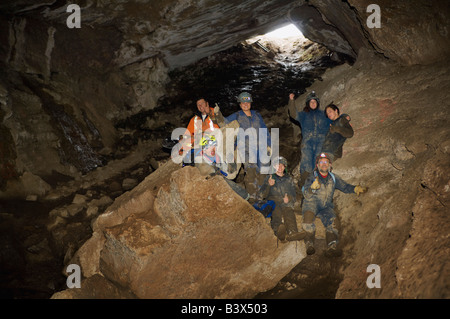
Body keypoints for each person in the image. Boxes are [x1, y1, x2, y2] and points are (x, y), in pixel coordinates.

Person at [301, 152, 367, 256]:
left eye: (326, 162)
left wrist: (354, 188)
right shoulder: (312, 177)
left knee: (334, 221)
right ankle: (309, 243)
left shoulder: (333, 178)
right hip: (311, 204)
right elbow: (305, 194)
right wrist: (312, 189)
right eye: (321, 162)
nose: (324, 164)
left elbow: (344, 187)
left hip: (326, 206)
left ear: (330, 165)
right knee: (308, 218)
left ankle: (332, 246)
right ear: (317, 165)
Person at [224, 92, 271, 200]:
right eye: (243, 102)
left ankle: (261, 198)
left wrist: (269, 145)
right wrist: (215, 115)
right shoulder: (236, 116)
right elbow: (224, 124)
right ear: (240, 104)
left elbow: (264, 130)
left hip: (261, 148)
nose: (245, 104)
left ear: (250, 103)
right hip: (246, 149)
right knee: (251, 172)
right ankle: (253, 199)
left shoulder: (257, 115)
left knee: (263, 173)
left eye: (247, 102)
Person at [288, 91, 331, 188]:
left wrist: (344, 120)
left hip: (320, 143)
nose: (313, 103)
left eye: (314, 102)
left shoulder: (323, 114)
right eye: (311, 102)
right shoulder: (303, 115)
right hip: (307, 143)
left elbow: (333, 120)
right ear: (308, 104)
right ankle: (304, 185)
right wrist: (291, 101)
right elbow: (293, 114)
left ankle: (318, 185)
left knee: (318, 164)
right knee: (306, 163)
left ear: (317, 103)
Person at [259, 156, 306, 242]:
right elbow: (262, 194)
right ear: (274, 167)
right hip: (273, 202)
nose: (279, 167)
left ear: (285, 167)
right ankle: (278, 233)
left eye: (282, 165)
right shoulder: (269, 178)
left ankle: (292, 233)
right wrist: (268, 185)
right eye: (277, 165)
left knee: (289, 211)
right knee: (276, 213)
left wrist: (289, 199)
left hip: (285, 202)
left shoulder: (289, 179)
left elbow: (294, 194)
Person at [194, 135, 249, 200]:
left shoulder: (219, 155)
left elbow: (230, 175)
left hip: (224, 177)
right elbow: (207, 175)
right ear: (204, 150)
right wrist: (214, 172)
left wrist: (231, 164)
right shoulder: (200, 161)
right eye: (209, 147)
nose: (213, 148)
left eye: (214, 145)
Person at [179, 98, 222, 165]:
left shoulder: (215, 113)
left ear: (207, 104)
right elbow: (188, 134)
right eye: (198, 105)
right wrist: (182, 147)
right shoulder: (195, 119)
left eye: (202, 103)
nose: (200, 106)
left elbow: (221, 123)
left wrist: (210, 114)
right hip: (200, 143)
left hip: (213, 143)